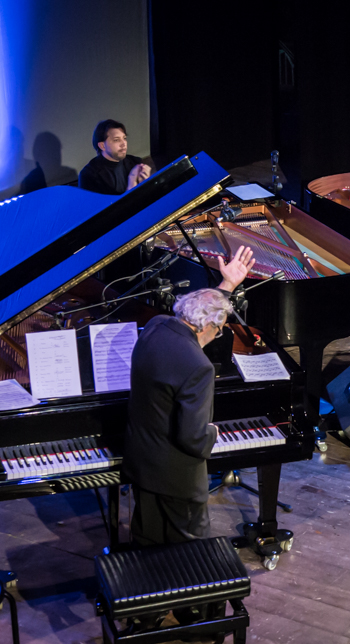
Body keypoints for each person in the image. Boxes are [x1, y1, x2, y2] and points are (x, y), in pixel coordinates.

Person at [124, 248, 255, 545]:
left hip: (143, 464)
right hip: (176, 479)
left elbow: (203, 308)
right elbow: (192, 438)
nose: (216, 336)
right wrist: (213, 432)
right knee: (189, 554)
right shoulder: (198, 366)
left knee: (147, 542)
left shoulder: (155, 327)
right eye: (218, 331)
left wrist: (227, 287)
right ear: (208, 326)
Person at [78, 119, 152, 195]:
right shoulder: (89, 175)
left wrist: (147, 184)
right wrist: (131, 185)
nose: (124, 144)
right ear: (102, 146)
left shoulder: (135, 162)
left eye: (124, 138)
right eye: (116, 140)